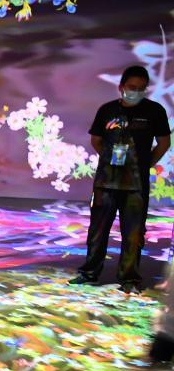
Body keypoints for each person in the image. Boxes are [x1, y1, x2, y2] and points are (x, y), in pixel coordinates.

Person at [70, 65, 171, 294]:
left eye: (141, 89)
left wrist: (143, 165)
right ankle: (89, 273)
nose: (135, 92)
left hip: (136, 185)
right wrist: (110, 162)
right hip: (106, 182)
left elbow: (164, 144)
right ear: (121, 87)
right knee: (97, 230)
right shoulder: (106, 110)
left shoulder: (155, 111)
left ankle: (129, 279)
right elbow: (96, 140)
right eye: (131, 87)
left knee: (133, 233)